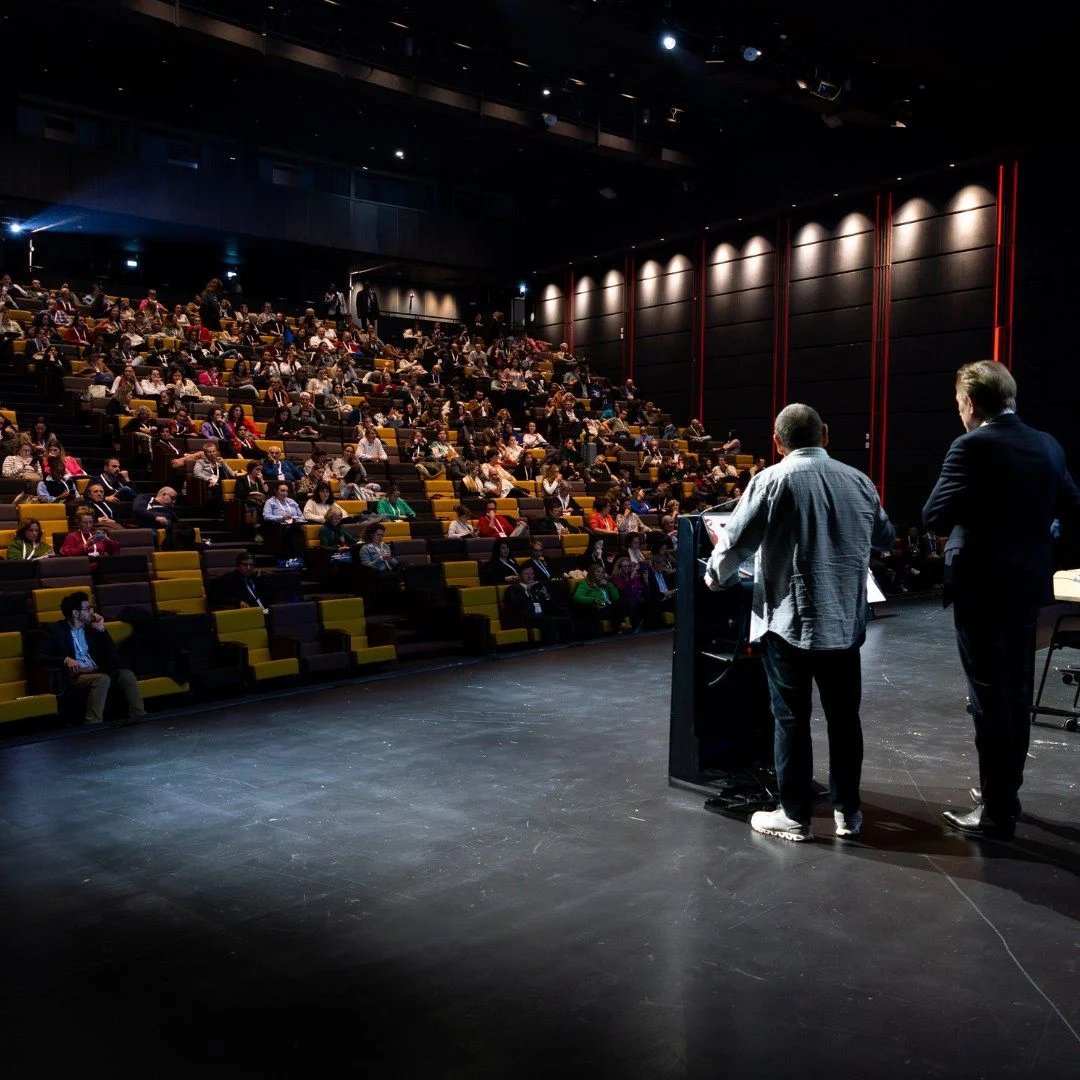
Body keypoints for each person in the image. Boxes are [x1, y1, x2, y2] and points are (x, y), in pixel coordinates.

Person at [704, 403, 895, 842]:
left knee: (791, 718)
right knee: (845, 721)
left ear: (777, 442)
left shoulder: (770, 481)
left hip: (789, 624)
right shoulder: (859, 481)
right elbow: (884, 537)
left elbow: (734, 543)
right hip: (845, 623)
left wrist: (716, 576)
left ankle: (794, 815)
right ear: (825, 434)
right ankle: (848, 812)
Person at [923, 360, 1080, 839]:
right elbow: (1070, 503)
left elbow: (934, 514)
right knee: (1015, 691)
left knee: (988, 698)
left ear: (971, 402)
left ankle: (995, 812)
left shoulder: (971, 447)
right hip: (1029, 586)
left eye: (958, 404)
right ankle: (1003, 791)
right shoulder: (1046, 443)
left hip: (982, 587)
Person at [36, 591, 146, 726]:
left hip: (98, 669)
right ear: (75, 613)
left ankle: (140, 717)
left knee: (126, 675)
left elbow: (112, 655)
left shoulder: (92, 628)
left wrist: (101, 630)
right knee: (102, 679)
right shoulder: (55, 630)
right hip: (76, 675)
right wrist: (65, 659)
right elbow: (39, 656)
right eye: (87, 609)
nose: (92, 612)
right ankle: (93, 724)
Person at [503, 564, 574, 644]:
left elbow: (548, 606)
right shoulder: (513, 589)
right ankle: (550, 646)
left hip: (540, 615)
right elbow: (513, 604)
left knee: (565, 618)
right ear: (519, 575)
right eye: (526, 574)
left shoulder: (536, 587)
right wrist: (526, 590)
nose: (530, 576)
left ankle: (568, 644)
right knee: (549, 621)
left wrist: (546, 595)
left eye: (532, 574)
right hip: (526, 618)